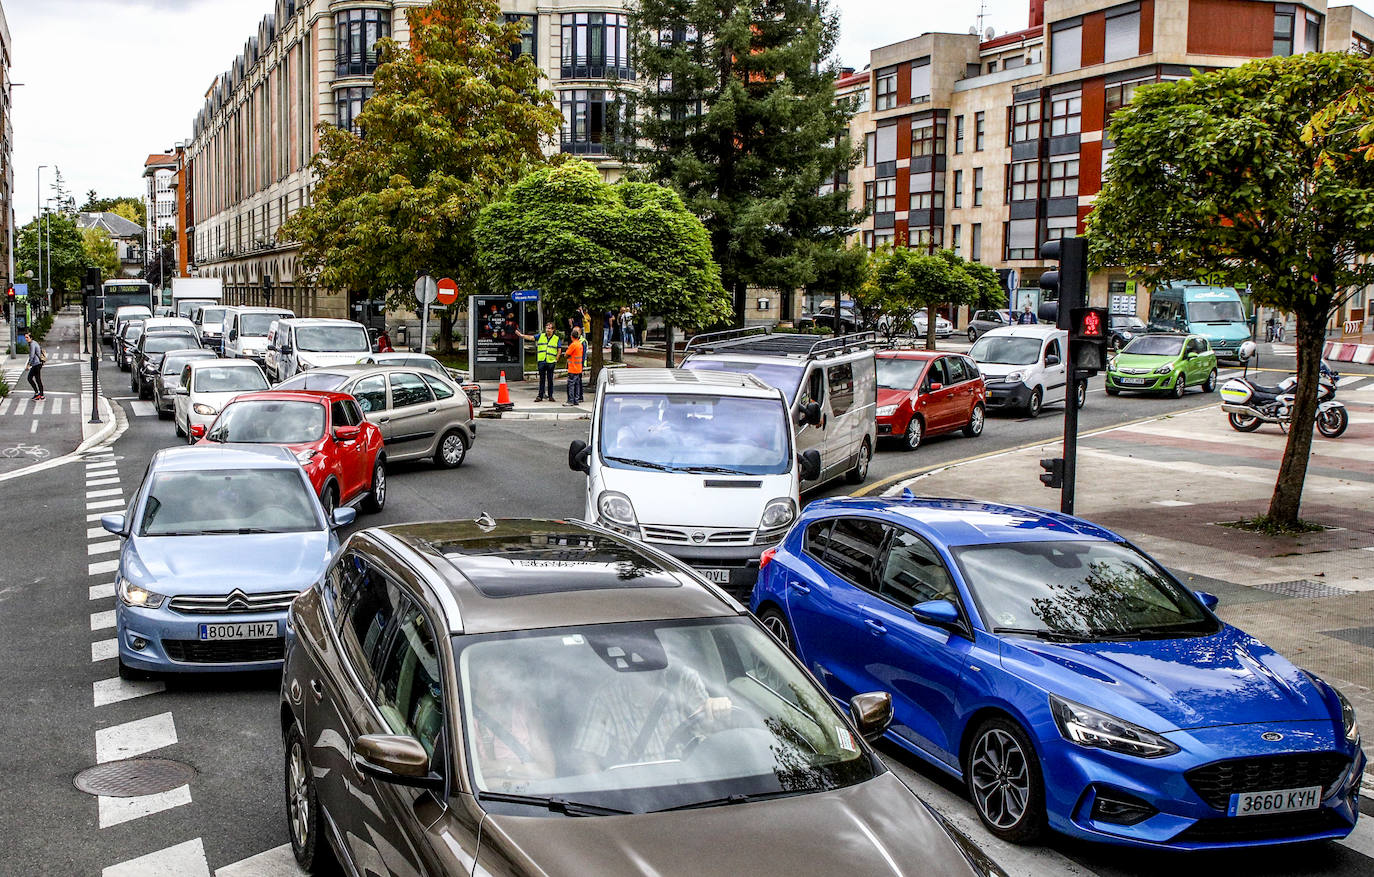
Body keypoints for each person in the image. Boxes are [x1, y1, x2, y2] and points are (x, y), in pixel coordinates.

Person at [520, 321, 560, 402]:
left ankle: (550, 396)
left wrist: (556, 359)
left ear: (553, 330)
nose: (547, 330)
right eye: (546, 328)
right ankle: (540, 396)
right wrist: (522, 336)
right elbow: (531, 338)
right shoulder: (541, 336)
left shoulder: (556, 338)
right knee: (542, 379)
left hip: (551, 362)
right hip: (542, 361)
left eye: (549, 328)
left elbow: (559, 350)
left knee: (550, 380)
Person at [564, 329, 585, 406]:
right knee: (577, 385)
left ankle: (570, 401)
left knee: (571, 385)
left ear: (571, 336)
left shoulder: (573, 345)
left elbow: (566, 354)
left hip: (572, 368)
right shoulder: (580, 344)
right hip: (578, 368)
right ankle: (576, 400)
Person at [24, 333, 45, 400]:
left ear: (31, 338)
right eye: (25, 337)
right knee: (37, 379)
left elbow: (32, 355)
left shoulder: (32, 344)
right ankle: (40, 394)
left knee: (30, 378)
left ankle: (39, 394)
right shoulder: (34, 343)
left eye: (27, 337)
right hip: (37, 363)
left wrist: (28, 364)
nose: (26, 339)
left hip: (36, 364)